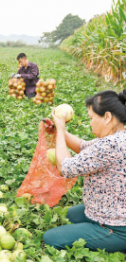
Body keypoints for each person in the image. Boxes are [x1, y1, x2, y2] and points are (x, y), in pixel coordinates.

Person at [43, 90, 126, 252]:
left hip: (116, 227)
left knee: (50, 238)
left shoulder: (110, 145)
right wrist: (59, 130)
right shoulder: (117, 138)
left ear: (107, 117)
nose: (90, 123)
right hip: (103, 211)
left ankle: (111, 238)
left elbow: (66, 167)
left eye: (92, 118)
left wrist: (60, 131)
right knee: (66, 216)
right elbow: (83, 146)